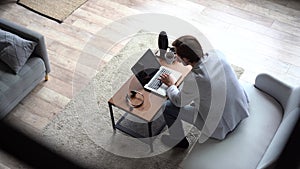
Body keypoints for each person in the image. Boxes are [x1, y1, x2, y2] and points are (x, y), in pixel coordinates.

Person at [159, 35, 249, 149]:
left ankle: (178, 142)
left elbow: (178, 102)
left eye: (177, 55)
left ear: (186, 59)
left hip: (221, 126)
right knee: (194, 94)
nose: (176, 58)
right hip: (240, 108)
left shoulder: (195, 79)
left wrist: (171, 85)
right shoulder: (217, 54)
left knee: (168, 107)